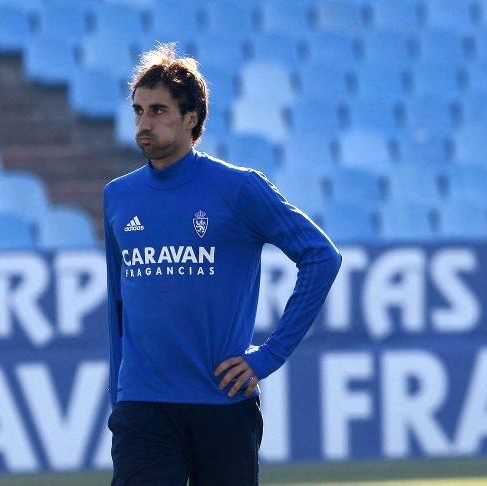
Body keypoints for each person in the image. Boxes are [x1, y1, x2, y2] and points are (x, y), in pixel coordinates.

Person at [103, 43, 342, 485]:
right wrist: (117, 398)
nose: (143, 123)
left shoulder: (238, 189)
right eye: (138, 111)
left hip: (222, 403)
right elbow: (119, 306)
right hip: (143, 407)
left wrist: (268, 357)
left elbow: (321, 256)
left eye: (157, 110)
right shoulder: (118, 196)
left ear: (191, 118)